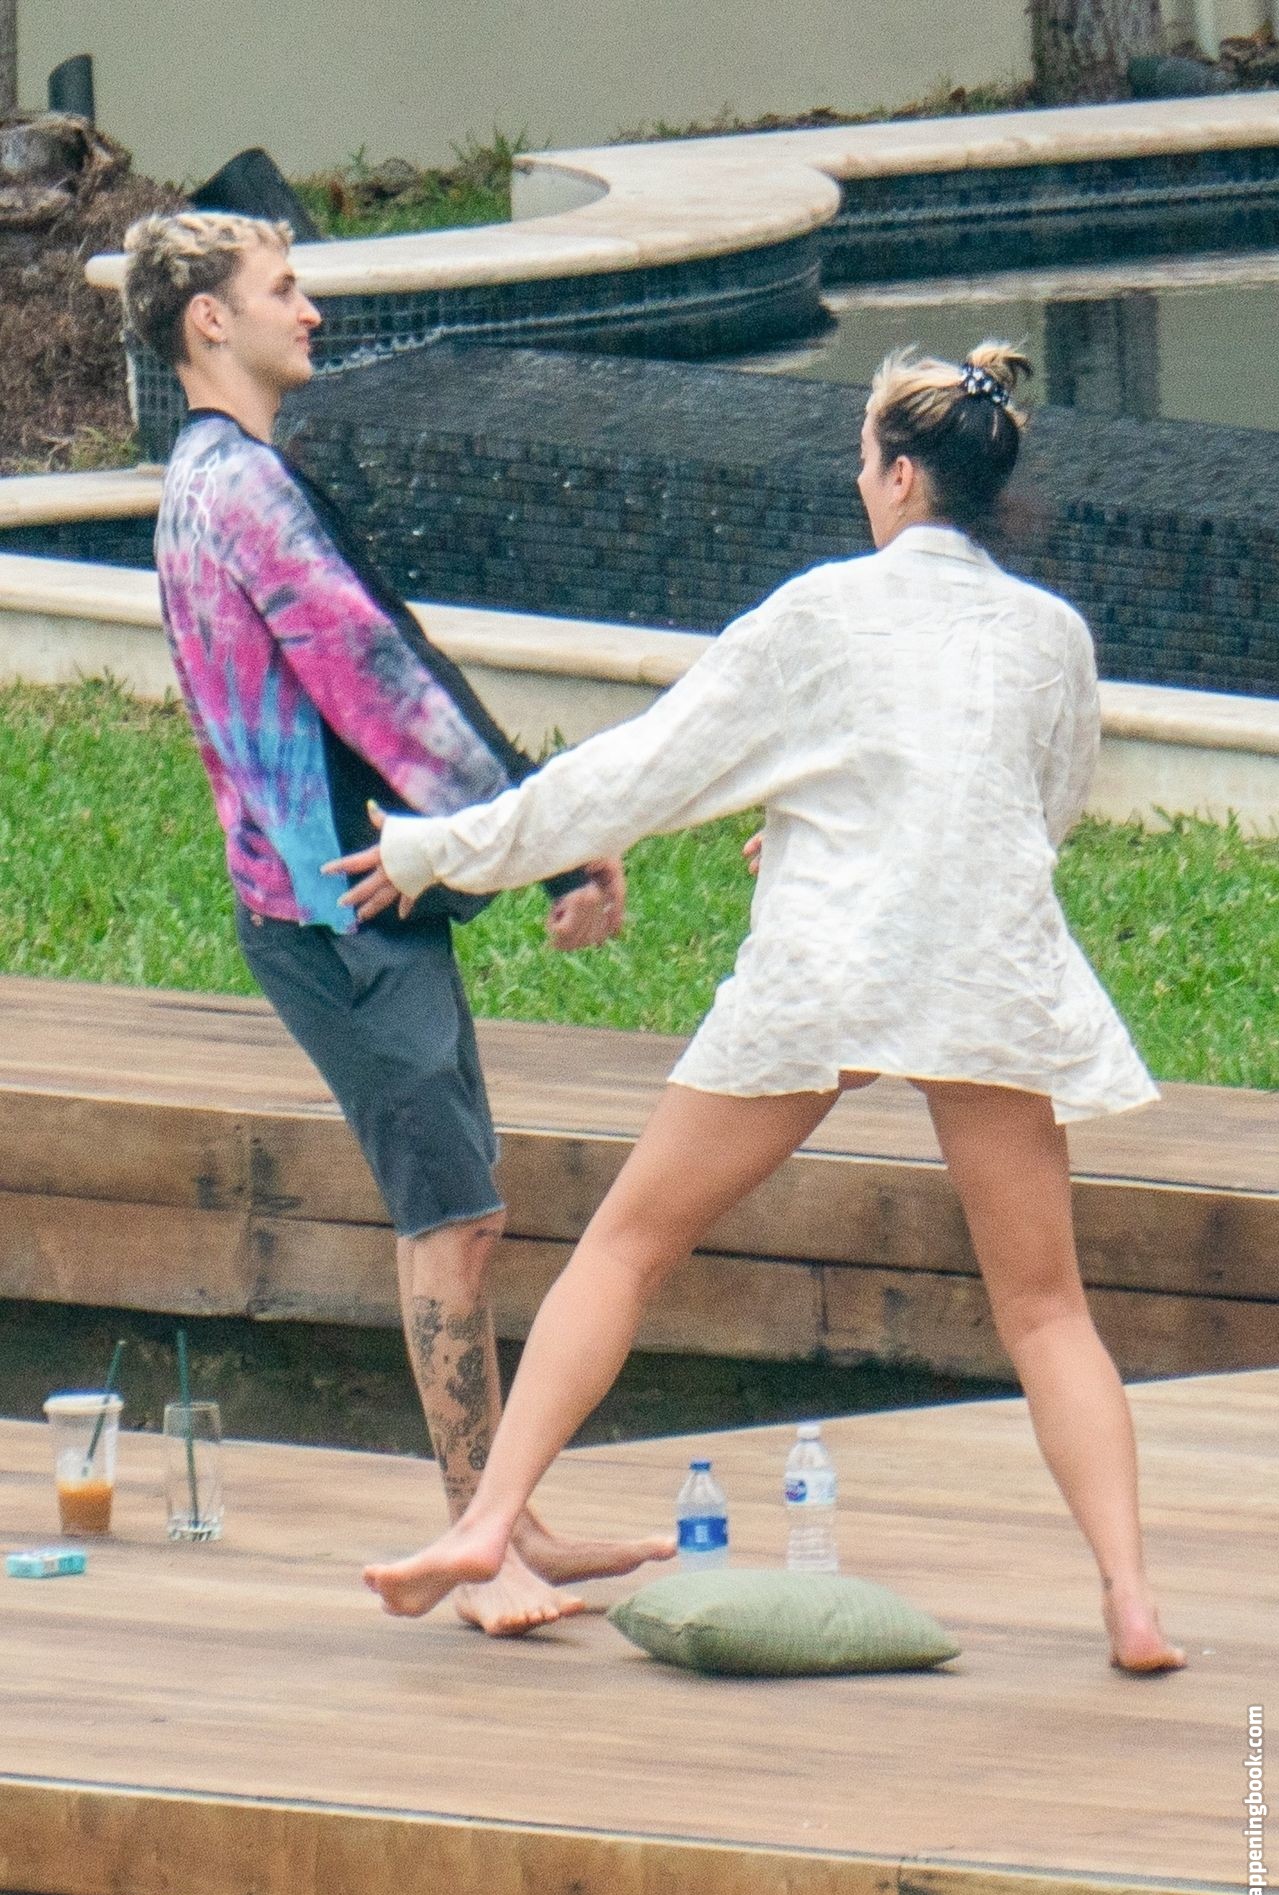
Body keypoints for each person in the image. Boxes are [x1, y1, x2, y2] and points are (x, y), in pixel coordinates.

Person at [328, 342, 1186, 1673]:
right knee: (1045, 1308)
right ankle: (1131, 1602)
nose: (859, 479)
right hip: (986, 971)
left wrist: (442, 848)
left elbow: (636, 775)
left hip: (831, 971)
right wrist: (847, 823)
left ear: (899, 477)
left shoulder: (823, 612)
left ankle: (489, 1521)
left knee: (625, 1249)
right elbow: (1032, 810)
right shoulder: (1052, 637)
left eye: (863, 458)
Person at [121, 210, 672, 1634]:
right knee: (452, 1220)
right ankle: (481, 1549)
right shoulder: (243, 491)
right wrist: (550, 846)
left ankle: (510, 1525)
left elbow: (376, 677)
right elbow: (385, 688)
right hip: (344, 913)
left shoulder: (204, 480)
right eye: (284, 289)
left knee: (465, 1211)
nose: (309, 311)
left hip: (346, 900)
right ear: (209, 321)